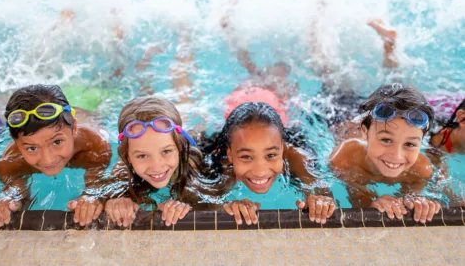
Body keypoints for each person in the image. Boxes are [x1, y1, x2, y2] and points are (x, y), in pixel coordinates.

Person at [0, 84, 111, 228]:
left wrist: (91, 196)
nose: (48, 159)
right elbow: (17, 192)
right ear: (15, 141)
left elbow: (96, 184)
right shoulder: (8, 163)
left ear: (73, 128)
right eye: (32, 147)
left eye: (57, 141)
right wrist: (8, 200)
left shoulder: (95, 146)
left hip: (88, 100)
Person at [200, 101, 335, 226]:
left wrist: (319, 202)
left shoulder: (296, 157)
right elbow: (208, 207)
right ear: (230, 155)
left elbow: (320, 192)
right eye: (246, 157)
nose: (260, 172)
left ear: (282, 149)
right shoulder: (220, 166)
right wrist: (229, 207)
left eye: (271, 155)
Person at [330, 83, 442, 223]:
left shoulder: (422, 169)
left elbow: (412, 197)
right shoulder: (346, 157)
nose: (396, 155)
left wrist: (419, 204)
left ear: (421, 143)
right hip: (340, 114)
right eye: (386, 140)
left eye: (410, 144)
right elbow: (356, 195)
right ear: (365, 132)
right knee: (336, 86)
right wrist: (371, 204)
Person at [104, 96, 213, 228]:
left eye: (166, 151)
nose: (157, 166)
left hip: (198, 143)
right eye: (142, 155)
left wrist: (187, 206)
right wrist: (116, 201)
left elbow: (211, 206)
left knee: (189, 108)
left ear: (179, 147)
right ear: (127, 157)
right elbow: (100, 196)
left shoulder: (193, 164)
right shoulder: (121, 171)